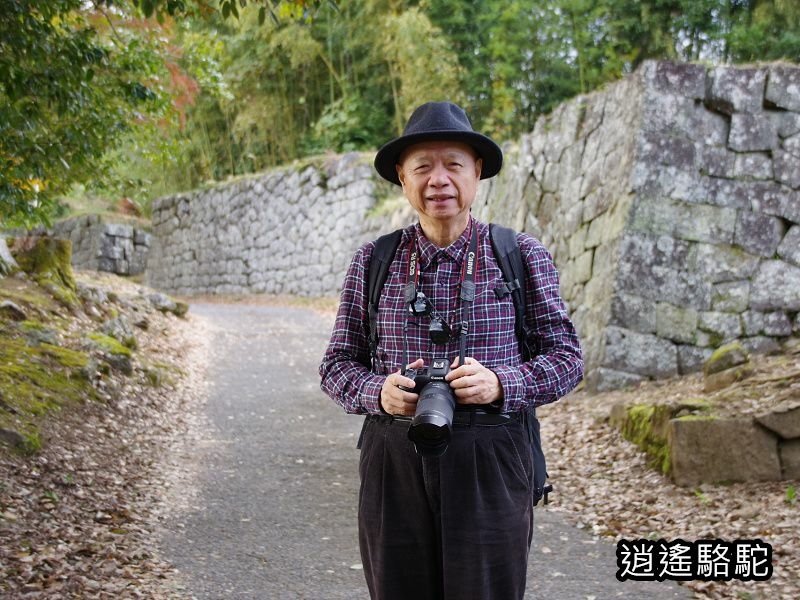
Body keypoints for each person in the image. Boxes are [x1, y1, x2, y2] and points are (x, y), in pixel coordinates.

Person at [319, 101, 583, 600]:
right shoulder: (373, 260)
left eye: (453, 165)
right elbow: (335, 365)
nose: (438, 179)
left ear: (477, 172)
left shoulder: (520, 255)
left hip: (491, 454)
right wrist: (379, 392)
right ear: (402, 176)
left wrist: (503, 383)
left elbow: (567, 358)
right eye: (422, 166)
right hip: (393, 458)